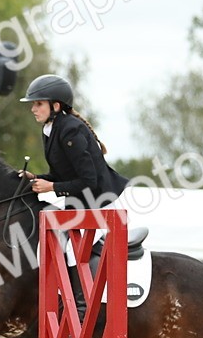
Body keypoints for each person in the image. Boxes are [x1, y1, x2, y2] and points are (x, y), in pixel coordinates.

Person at [17, 73, 129, 317]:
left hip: (101, 199)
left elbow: (88, 180)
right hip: (81, 201)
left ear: (55, 106)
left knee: (71, 250)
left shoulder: (70, 130)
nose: (33, 109)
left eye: (38, 104)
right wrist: (39, 178)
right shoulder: (51, 128)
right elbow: (62, 173)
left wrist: (52, 188)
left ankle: (82, 309)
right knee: (58, 242)